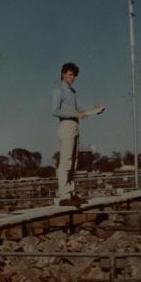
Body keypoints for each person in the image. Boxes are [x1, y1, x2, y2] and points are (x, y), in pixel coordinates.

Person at [52, 62, 104, 207]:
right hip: (65, 125)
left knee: (74, 162)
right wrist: (74, 114)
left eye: (74, 75)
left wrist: (95, 108)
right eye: (70, 74)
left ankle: (71, 193)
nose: (72, 78)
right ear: (63, 74)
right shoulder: (58, 91)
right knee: (66, 161)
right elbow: (55, 111)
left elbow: (81, 108)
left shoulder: (73, 92)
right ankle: (63, 195)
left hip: (75, 126)